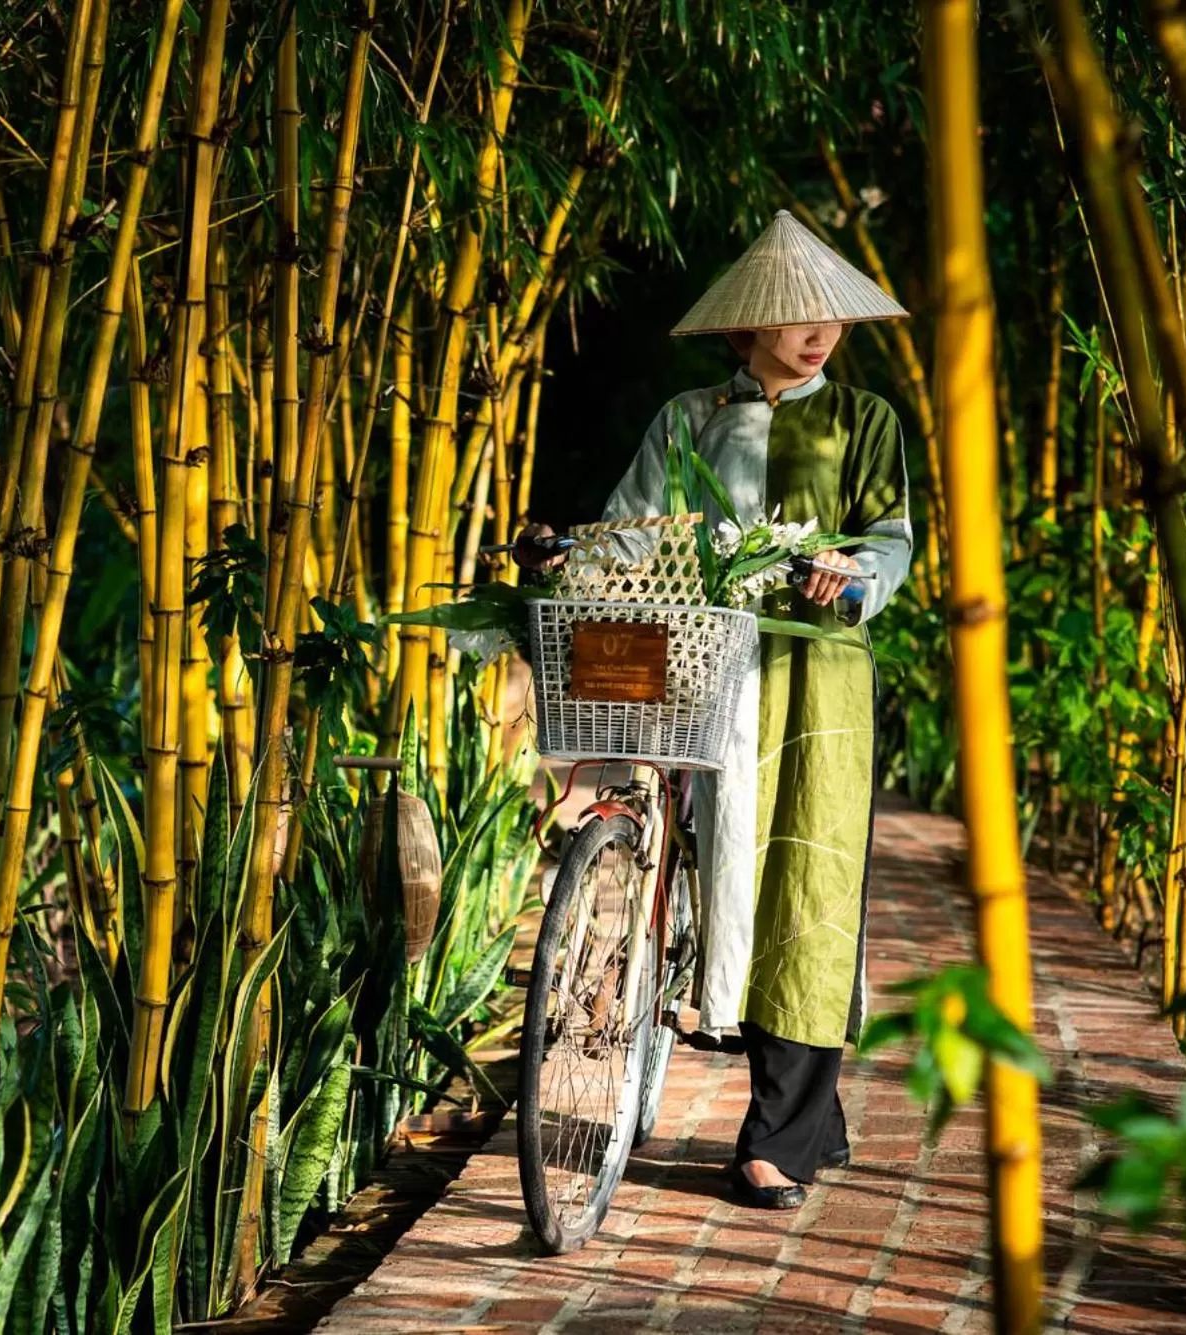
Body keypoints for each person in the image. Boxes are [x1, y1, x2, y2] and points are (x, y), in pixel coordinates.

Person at [515, 210, 913, 1211]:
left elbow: (891, 542)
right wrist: (569, 555)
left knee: (803, 888)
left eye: (826, 318)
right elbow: (633, 531)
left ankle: (776, 1133)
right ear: (746, 328)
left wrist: (851, 574)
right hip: (702, 669)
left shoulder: (862, 423)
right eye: (789, 318)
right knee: (728, 872)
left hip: (812, 679)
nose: (813, 333)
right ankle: (806, 1118)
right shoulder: (685, 418)